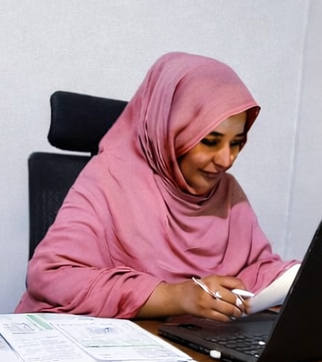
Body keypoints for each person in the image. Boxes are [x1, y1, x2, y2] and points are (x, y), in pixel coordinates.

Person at [15, 52, 296, 322]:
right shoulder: (109, 178)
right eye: (210, 141)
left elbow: (257, 271)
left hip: (195, 350)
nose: (227, 160)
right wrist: (175, 296)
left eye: (236, 143)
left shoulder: (226, 192)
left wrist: (301, 277)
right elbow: (50, 276)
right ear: (169, 132)